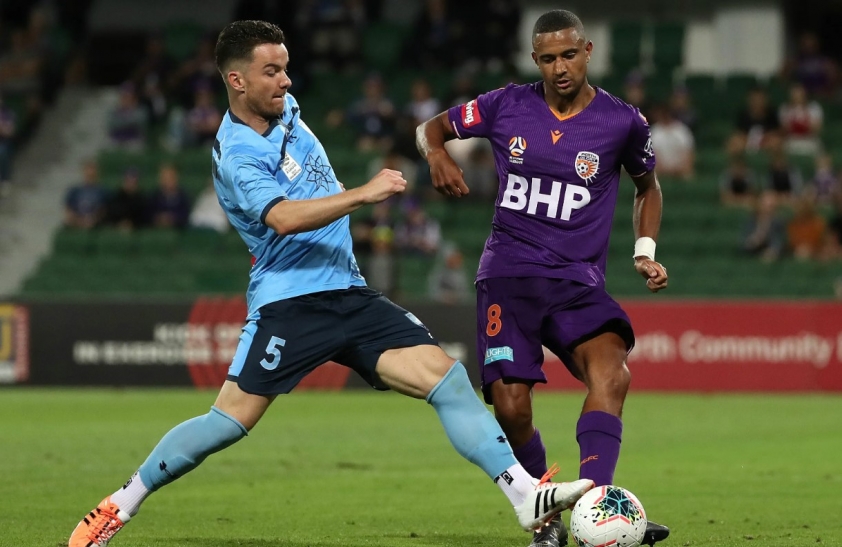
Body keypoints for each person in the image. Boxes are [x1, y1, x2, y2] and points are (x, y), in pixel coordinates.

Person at [68, 20, 594, 547]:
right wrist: (363, 193)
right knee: (228, 421)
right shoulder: (239, 153)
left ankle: (524, 497)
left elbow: (305, 174)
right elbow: (283, 218)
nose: (285, 80)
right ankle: (119, 505)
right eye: (271, 71)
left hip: (348, 292)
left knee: (448, 380)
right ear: (236, 81)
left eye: (285, 68)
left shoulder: (283, 110)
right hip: (292, 302)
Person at [416, 10, 670, 547]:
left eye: (569, 55)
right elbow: (430, 127)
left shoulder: (623, 121)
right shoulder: (505, 104)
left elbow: (648, 187)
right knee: (510, 407)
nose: (560, 67)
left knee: (613, 376)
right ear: (535, 59)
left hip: (577, 282)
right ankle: (547, 517)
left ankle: (597, 507)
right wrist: (436, 153)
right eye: (549, 58)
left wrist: (644, 251)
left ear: (587, 51)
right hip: (508, 275)